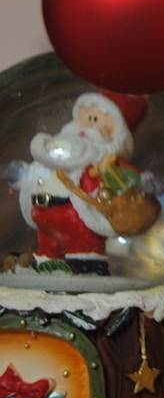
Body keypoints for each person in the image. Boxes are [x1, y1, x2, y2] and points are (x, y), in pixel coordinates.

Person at [14, 91, 155, 275]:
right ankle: (46, 265)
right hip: (44, 214)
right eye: (88, 117)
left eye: (98, 120)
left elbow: (128, 174)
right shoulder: (56, 150)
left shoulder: (104, 161)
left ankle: (86, 269)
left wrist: (144, 181)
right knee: (48, 254)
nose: (88, 128)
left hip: (80, 220)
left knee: (84, 252)